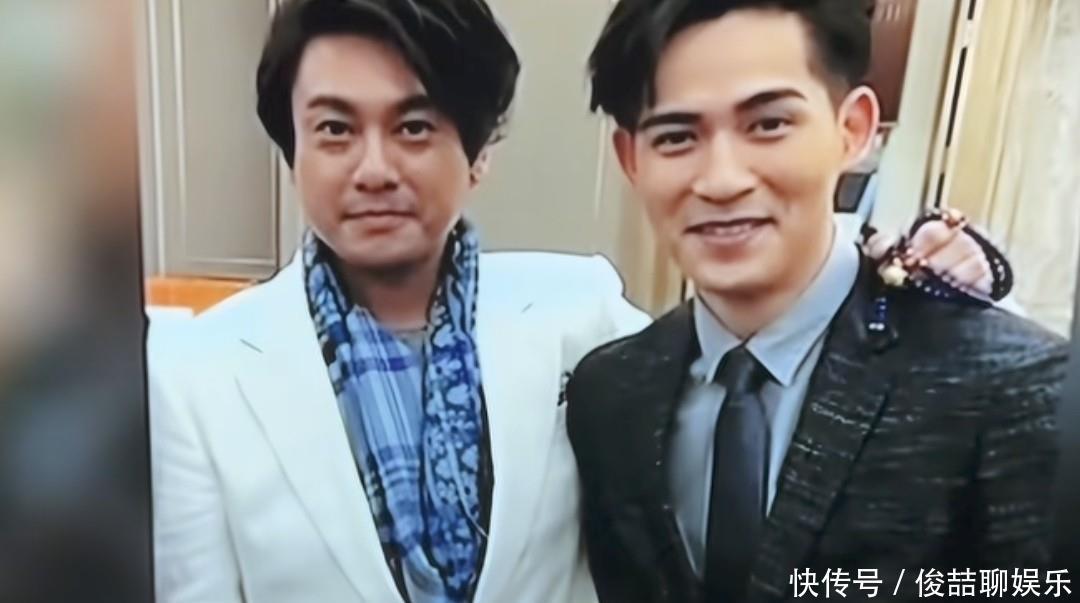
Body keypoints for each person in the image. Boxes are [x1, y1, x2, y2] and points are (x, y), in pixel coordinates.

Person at [149, 1, 1015, 602]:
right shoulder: (195, 371)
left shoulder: (577, 314)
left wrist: (902, 265)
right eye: (335, 129)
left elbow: (767, 348)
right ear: (294, 151)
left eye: (415, 126)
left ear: (477, 154)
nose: (374, 168)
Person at [567, 1, 1067, 602]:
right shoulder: (609, 394)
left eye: (768, 125)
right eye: (677, 137)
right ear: (631, 160)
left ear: (852, 128)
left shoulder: (1014, 385)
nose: (722, 180)